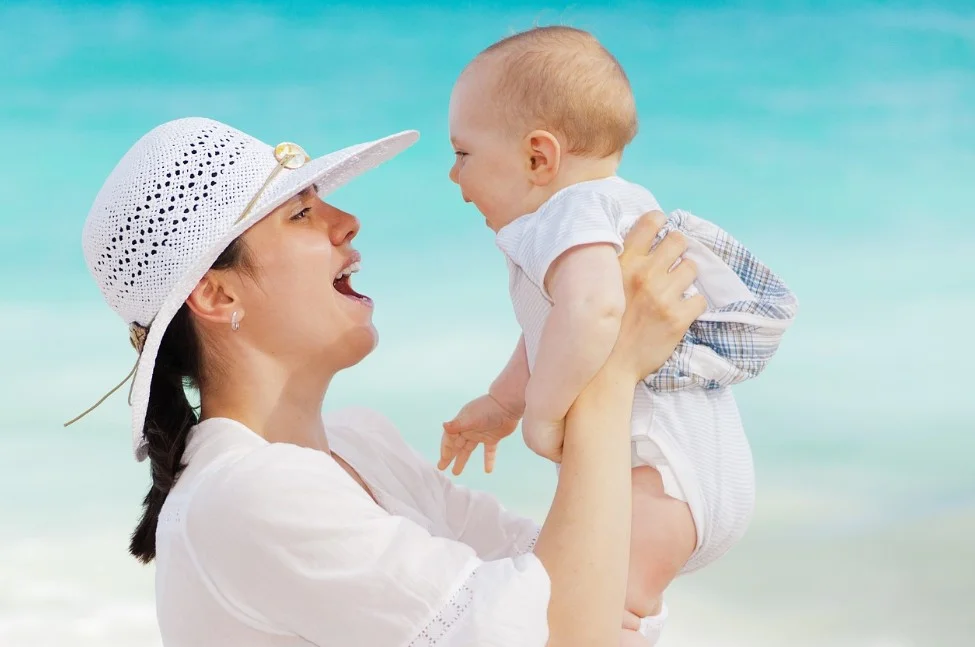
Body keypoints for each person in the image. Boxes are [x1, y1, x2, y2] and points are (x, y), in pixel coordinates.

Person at [65, 116, 706, 646]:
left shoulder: (362, 445)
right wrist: (609, 367)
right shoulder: (243, 496)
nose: (347, 222)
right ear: (216, 292)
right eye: (299, 215)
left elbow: (597, 587)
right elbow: (569, 629)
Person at [438, 26, 798, 645]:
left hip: (658, 473)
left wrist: (543, 416)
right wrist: (504, 401)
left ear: (538, 158)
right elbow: (552, 330)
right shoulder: (617, 205)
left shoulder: (566, 213)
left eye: (464, 153)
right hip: (692, 475)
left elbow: (594, 311)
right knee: (606, 606)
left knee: (590, 616)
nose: (453, 175)